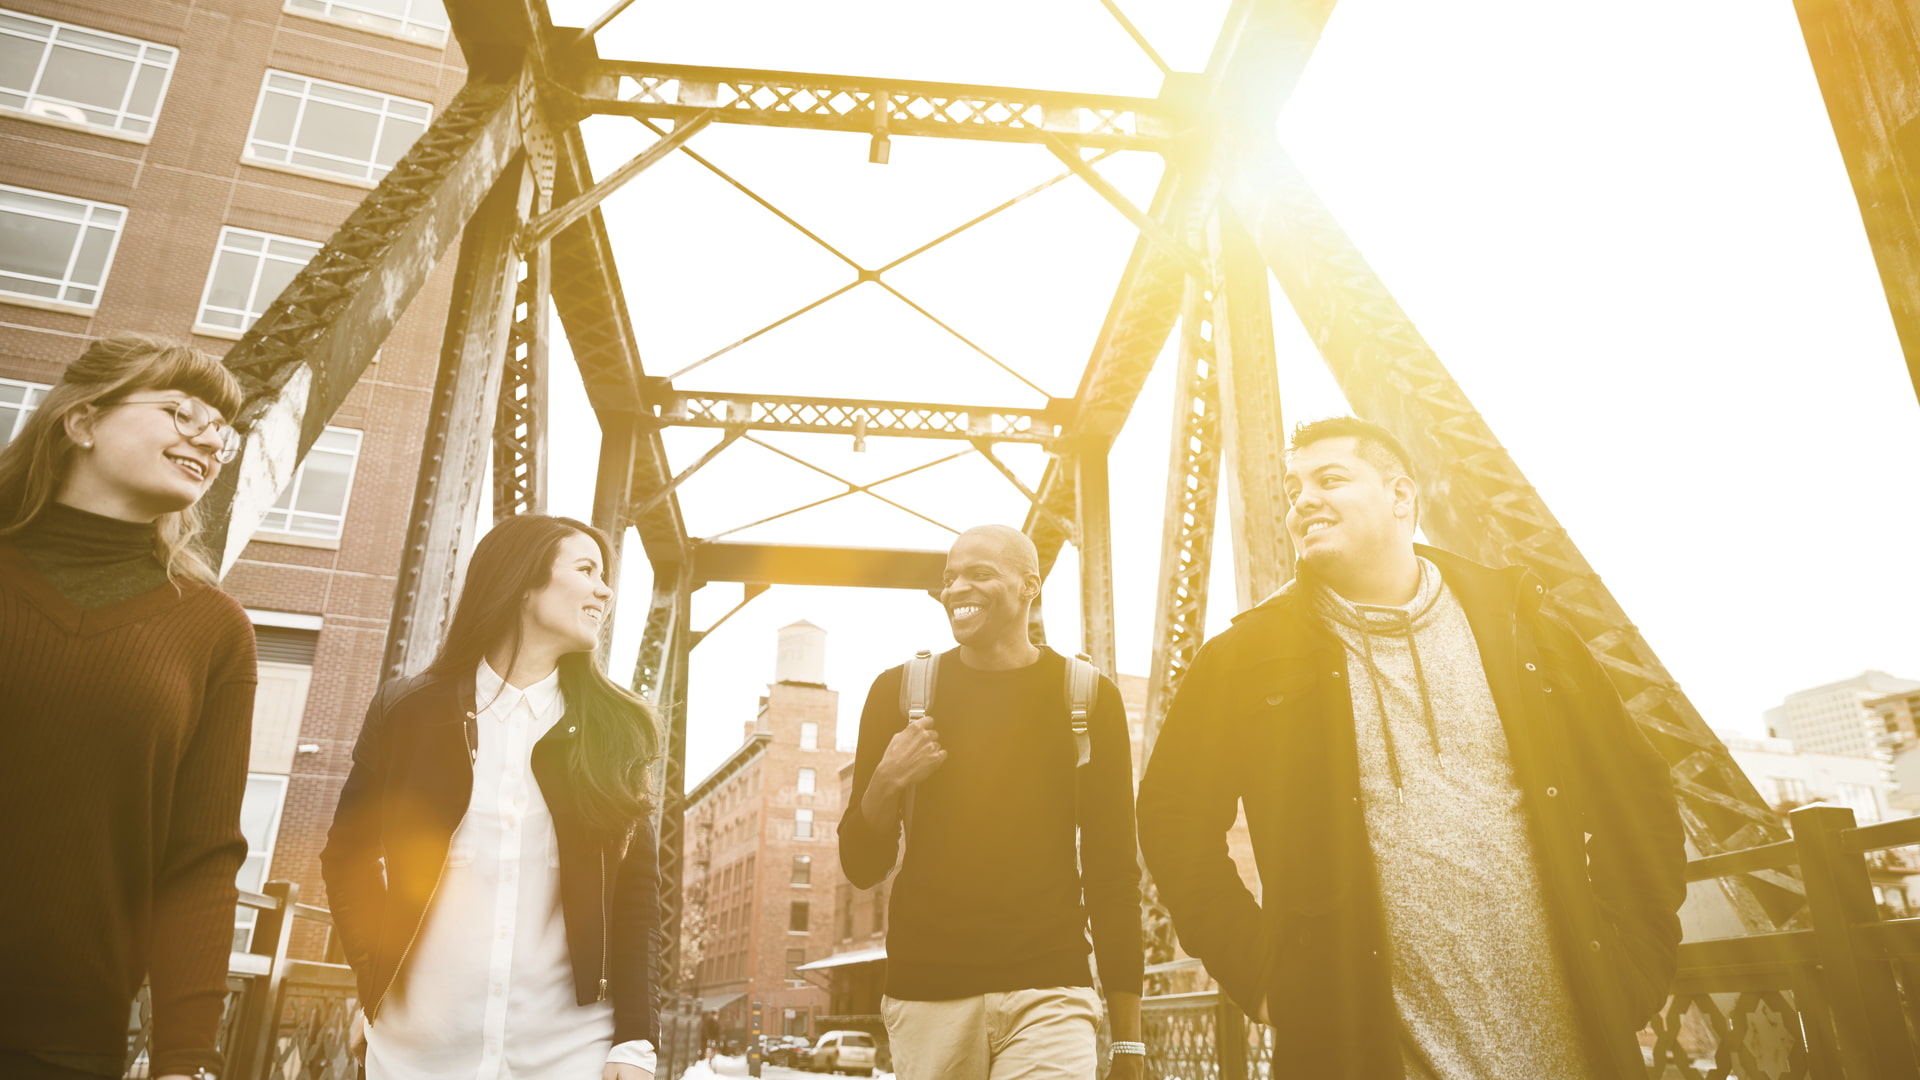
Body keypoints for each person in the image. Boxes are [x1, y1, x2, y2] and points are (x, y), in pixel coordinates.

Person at [1136, 417, 1688, 1080]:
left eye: (1330, 479)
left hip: (1572, 1055)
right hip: (1366, 1056)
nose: (1304, 500)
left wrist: (1639, 958)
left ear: (1401, 495)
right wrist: (1257, 974)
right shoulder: (1244, 657)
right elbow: (1172, 820)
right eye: (1292, 489)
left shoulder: (1523, 628)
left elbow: (1635, 788)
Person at [321, 515, 661, 1080]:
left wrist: (636, 1041)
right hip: (418, 1049)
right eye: (586, 570)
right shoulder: (406, 711)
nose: (605, 591)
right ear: (522, 582)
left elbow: (636, 897)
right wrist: (373, 976)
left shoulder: (616, 730)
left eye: (604, 577)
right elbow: (346, 857)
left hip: (567, 1052)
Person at [0, 334, 258, 1080]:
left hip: (65, 1044)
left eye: (223, 430)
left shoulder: (212, 628)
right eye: (183, 413)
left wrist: (186, 1057)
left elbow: (202, 856)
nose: (210, 438)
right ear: (82, 421)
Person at [838, 524, 1145, 1080]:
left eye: (979, 574)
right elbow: (861, 867)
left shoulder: (1088, 698)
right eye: (950, 577)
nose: (957, 589)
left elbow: (1113, 872)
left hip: (1050, 987)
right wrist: (886, 779)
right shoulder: (898, 694)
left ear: (1030, 586)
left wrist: (1128, 1041)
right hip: (928, 992)